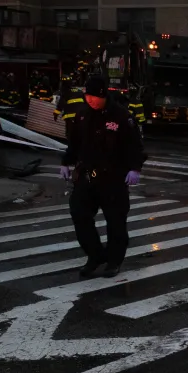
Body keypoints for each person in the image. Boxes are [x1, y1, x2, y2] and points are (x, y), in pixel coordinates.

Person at [59, 75, 146, 279]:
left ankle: (114, 261)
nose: (90, 101)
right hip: (87, 175)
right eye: (87, 97)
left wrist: (135, 168)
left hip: (113, 177)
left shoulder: (121, 117)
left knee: (115, 221)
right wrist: (65, 162)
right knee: (79, 214)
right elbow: (74, 144)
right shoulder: (82, 116)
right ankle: (95, 255)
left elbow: (135, 146)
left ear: (103, 95)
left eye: (94, 97)